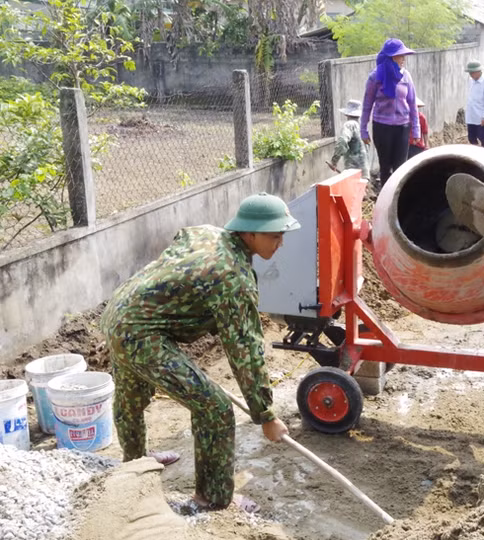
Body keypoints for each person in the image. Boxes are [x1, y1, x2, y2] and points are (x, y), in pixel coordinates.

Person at [101, 192, 300, 512]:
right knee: (215, 408)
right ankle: (212, 498)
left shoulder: (207, 232)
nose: (280, 244)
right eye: (274, 236)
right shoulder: (232, 277)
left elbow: (181, 246)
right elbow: (245, 350)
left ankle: (135, 462)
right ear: (249, 234)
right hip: (142, 333)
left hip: (120, 313)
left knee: (130, 396)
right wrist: (265, 415)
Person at [360, 38, 420, 186]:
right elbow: (367, 104)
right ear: (391, 57)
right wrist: (363, 130)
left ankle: (399, 200)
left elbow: (412, 103)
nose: (403, 59)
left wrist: (416, 129)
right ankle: (385, 201)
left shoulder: (406, 76)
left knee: (400, 167)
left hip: (402, 127)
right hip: (382, 127)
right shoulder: (375, 77)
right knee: (385, 167)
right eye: (400, 55)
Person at [329, 99, 369, 178]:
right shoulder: (362, 127)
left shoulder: (349, 125)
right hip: (364, 171)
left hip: (354, 171)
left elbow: (342, 141)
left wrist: (334, 161)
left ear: (347, 114)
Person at [465, 60, 484, 149]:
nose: (471, 75)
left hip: (481, 116)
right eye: (470, 73)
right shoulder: (471, 81)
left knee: (483, 138)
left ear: (478, 71)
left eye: (472, 72)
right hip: (471, 116)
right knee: (471, 138)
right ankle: (476, 154)